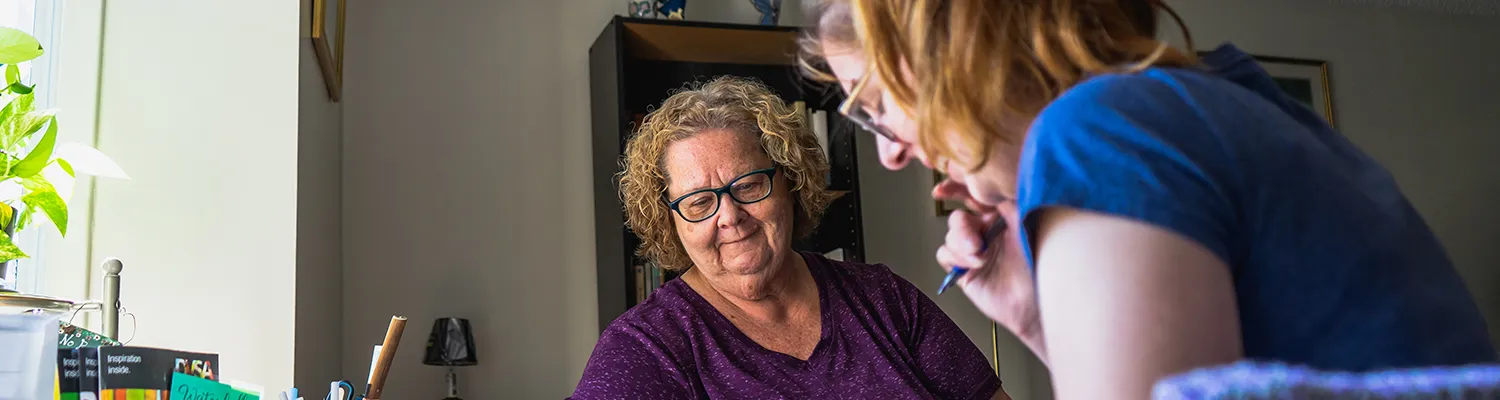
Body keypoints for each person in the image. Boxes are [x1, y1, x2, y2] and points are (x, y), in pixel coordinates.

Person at [797, 0, 1497, 398]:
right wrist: (1040, 319)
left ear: (958, 44)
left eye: (877, 103)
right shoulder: (1225, 99)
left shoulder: (1100, 129)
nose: (888, 151)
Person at [569, 76, 1011, 400]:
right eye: (700, 202)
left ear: (791, 183)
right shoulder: (646, 347)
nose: (730, 217)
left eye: (747, 186)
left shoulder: (884, 298)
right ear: (671, 222)